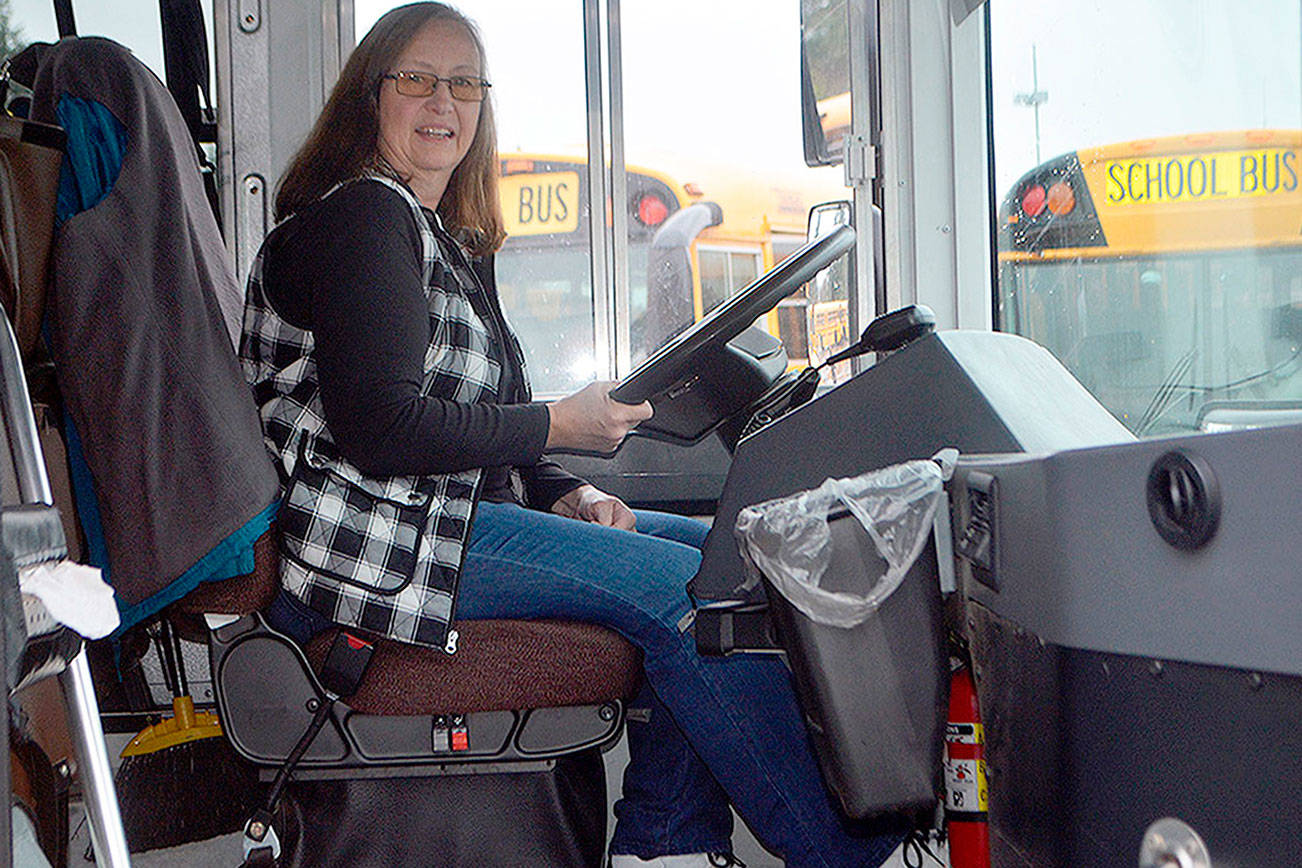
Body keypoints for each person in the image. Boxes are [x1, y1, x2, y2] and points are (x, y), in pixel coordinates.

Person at [239, 4, 902, 866]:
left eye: (465, 84)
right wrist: (562, 423)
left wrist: (568, 488)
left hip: (441, 526)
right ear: (371, 99)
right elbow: (383, 429)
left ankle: (666, 846)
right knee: (692, 591)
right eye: (417, 80)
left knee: (737, 557)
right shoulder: (365, 219)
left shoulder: (437, 232)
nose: (444, 102)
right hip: (383, 553)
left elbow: (483, 432)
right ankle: (839, 855)